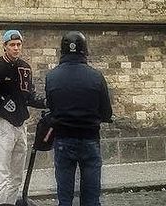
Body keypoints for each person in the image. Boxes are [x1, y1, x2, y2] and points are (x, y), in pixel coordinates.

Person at [0, 29, 45, 206]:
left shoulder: (25, 68)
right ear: (5, 47)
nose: (16, 48)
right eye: (12, 45)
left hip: (21, 123)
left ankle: (11, 202)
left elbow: (29, 96)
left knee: (17, 174)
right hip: (3, 124)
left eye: (18, 45)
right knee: (2, 172)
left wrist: (46, 101)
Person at [44, 31, 113, 206]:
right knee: (91, 197)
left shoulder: (52, 77)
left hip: (63, 139)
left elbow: (52, 107)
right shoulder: (96, 77)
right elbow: (106, 112)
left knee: (65, 197)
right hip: (90, 139)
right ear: (84, 50)